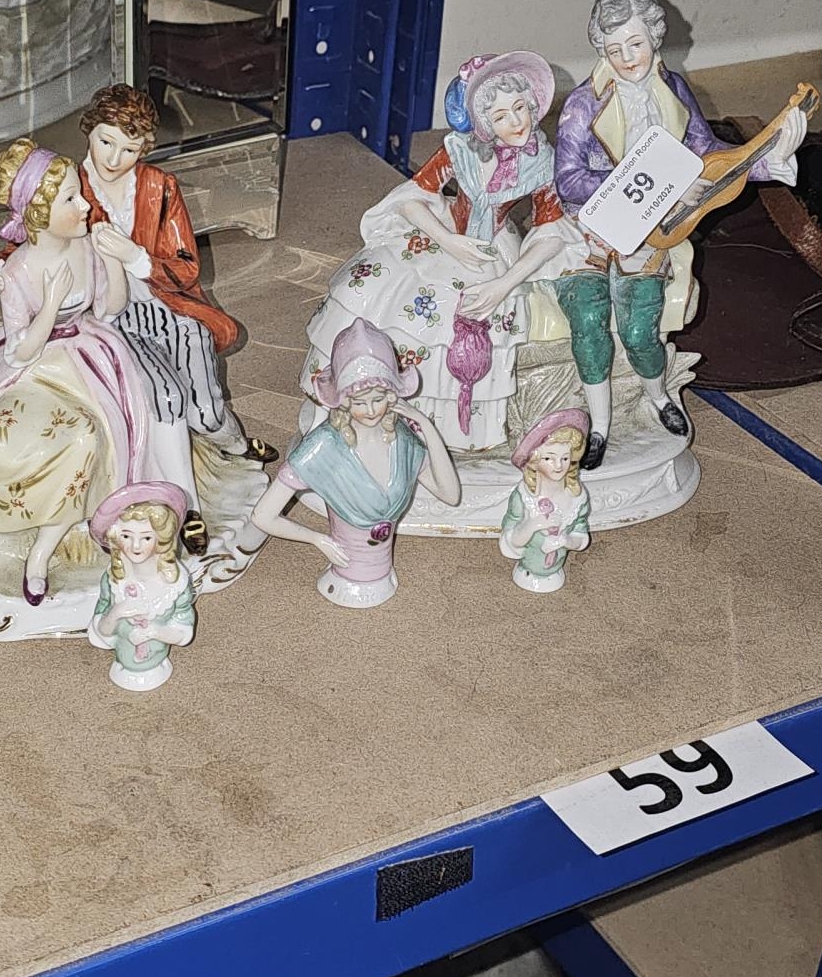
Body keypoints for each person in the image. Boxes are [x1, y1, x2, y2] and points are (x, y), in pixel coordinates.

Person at [0, 85, 265, 519]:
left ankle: (234, 443)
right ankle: (177, 497)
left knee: (205, 410)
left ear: (144, 148)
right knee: (165, 397)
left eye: (129, 149)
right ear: (89, 132)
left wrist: (135, 257)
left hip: (169, 304)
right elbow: (32, 236)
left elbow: (187, 267)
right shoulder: (70, 183)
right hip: (113, 316)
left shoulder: (159, 187)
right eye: (106, 142)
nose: (114, 159)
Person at [552, 0, 806, 468]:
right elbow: (568, 180)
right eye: (614, 49)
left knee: (639, 329)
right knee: (587, 321)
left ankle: (658, 396)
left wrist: (767, 160)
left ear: (654, 37)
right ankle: (598, 424)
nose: (627, 58)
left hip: (652, 236)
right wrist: (652, 182)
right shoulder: (584, 103)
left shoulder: (673, 90)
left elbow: (707, 154)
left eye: (636, 44)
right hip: (589, 233)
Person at [0, 142, 155, 612]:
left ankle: (42, 552)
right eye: (71, 199)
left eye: (80, 194)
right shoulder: (18, 270)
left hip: (85, 356)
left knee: (85, 437)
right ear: (40, 213)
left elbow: (108, 309)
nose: (85, 206)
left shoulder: (86, 247)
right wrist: (52, 305)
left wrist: (114, 263)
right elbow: (18, 351)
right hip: (35, 368)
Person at [302, 52, 568, 455]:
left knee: (458, 319)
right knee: (366, 287)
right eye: (501, 116)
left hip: (493, 252)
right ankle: (342, 403)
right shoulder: (459, 149)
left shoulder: (542, 162)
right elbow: (412, 199)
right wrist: (447, 239)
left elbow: (551, 234)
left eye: (520, 108)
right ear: (484, 122)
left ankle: (434, 431)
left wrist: (502, 285)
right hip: (442, 235)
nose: (517, 122)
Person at [246, 318, 460, 607]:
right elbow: (262, 516)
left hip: (385, 578)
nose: (371, 410)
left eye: (378, 399)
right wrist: (318, 539)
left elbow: (450, 494)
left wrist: (426, 425)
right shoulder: (324, 447)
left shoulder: (400, 440)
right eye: (359, 402)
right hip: (342, 581)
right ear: (344, 401)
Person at [87, 486, 196, 692]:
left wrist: (154, 632)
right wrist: (116, 613)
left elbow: (183, 629)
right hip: (121, 664)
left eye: (146, 538)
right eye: (126, 536)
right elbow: (101, 630)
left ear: (160, 539)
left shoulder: (175, 583)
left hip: (158, 665)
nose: (136, 546)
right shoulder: (114, 578)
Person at [499, 411, 592, 594]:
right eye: (549, 458)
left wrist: (565, 540)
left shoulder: (576, 498)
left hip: (556, 573)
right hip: (524, 572)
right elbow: (510, 537)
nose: (558, 466)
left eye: (564, 458)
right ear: (535, 460)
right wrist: (533, 525)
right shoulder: (524, 497)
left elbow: (580, 532)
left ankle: (550, 572)